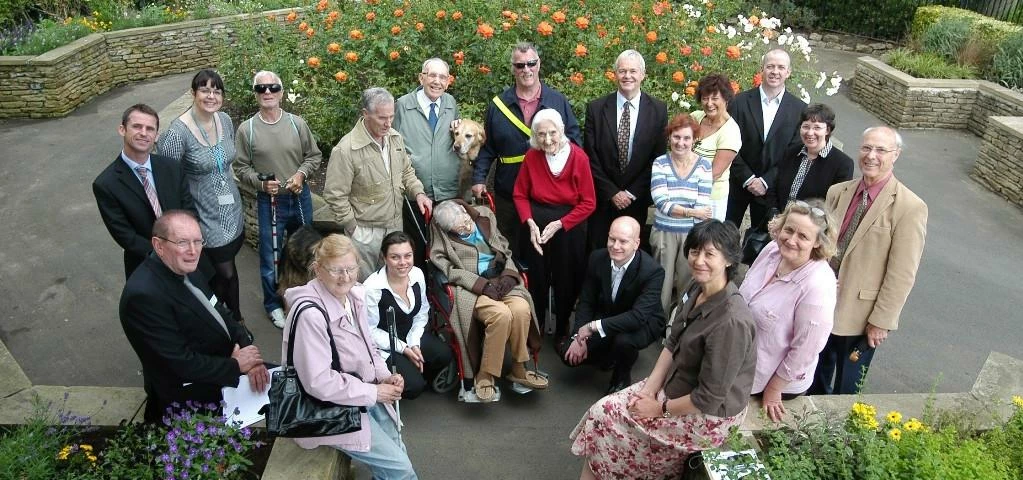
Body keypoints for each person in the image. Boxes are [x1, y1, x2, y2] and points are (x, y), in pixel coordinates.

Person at [570, 220, 756, 480]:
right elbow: (672, 344)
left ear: (729, 259)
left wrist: (659, 409)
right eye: (694, 251)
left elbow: (709, 398)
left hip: (707, 417)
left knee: (610, 420)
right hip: (675, 386)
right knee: (604, 411)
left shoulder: (732, 322)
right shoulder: (697, 286)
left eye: (709, 254)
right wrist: (648, 390)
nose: (699, 260)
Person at [282, 233, 417, 479]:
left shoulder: (354, 295)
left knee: (399, 451)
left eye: (351, 268)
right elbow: (319, 382)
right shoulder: (311, 316)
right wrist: (375, 393)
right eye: (336, 270)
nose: (345, 277)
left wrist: (385, 377)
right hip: (327, 409)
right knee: (401, 469)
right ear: (318, 269)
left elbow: (369, 348)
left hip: (359, 392)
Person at [119, 211, 268, 424]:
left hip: (227, 364)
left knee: (289, 385)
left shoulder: (187, 266)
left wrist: (247, 352)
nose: (193, 251)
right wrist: (236, 366)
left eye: (198, 241)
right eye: (182, 242)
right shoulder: (143, 296)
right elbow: (178, 363)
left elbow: (222, 312)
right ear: (159, 245)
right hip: (191, 392)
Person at [811, 126, 928, 395]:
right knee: (814, 378)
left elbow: (902, 273)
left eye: (880, 150)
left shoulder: (910, 207)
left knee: (846, 390)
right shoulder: (838, 192)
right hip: (822, 302)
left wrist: (881, 321)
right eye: (866, 148)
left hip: (860, 316)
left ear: (895, 155)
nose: (871, 156)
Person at [429, 200, 547, 403]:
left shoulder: (485, 215)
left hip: (501, 279)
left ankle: (519, 367)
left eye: (466, 221)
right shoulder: (441, 235)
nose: (467, 227)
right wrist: (481, 285)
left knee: (521, 308)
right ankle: (485, 374)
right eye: (460, 229)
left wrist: (510, 275)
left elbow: (504, 248)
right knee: (500, 314)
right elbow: (448, 270)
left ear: (465, 211)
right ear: (449, 229)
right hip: (473, 287)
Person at [471, 41, 581, 250]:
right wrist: (478, 179)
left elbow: (574, 144)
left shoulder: (558, 101)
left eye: (531, 63)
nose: (526, 70)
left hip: (548, 198)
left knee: (545, 254)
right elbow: (488, 148)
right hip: (509, 194)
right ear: (513, 68)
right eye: (520, 65)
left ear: (539, 64)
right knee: (511, 251)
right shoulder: (498, 106)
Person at [233, 70, 322, 328]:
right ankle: (273, 305)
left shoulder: (296, 123)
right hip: (270, 202)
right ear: (256, 94)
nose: (268, 92)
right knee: (270, 257)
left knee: (306, 251)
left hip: (299, 196)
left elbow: (313, 156)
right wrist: (261, 184)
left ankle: (303, 299)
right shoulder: (247, 130)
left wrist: (301, 175)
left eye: (273, 87)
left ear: (281, 92)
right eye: (261, 89)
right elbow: (241, 168)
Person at [157, 69, 246, 324]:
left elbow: (226, 162)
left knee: (224, 270)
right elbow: (169, 181)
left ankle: (222, 318)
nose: (211, 96)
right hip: (204, 214)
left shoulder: (225, 120)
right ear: (193, 93)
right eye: (205, 90)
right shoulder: (177, 133)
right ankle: (232, 321)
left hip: (232, 208)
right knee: (225, 272)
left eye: (217, 91)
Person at [740, 200, 836, 422]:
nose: (791, 240)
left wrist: (774, 389)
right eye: (788, 229)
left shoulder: (818, 285)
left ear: (817, 243)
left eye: (803, 236)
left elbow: (806, 348)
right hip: (740, 363)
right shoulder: (772, 250)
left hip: (771, 380)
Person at [323, 87, 432, 278]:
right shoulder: (346, 149)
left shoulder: (394, 138)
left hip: (395, 225)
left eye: (391, 116)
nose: (388, 123)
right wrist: (353, 229)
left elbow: (406, 171)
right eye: (382, 118)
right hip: (364, 232)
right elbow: (335, 195)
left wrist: (419, 193)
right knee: (364, 288)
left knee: (393, 282)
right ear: (366, 114)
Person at [513, 109, 596, 341]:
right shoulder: (532, 157)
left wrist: (560, 224)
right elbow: (520, 194)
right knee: (536, 276)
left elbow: (589, 203)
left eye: (552, 133)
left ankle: (562, 329)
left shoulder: (579, 157)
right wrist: (529, 223)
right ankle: (536, 326)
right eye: (541, 135)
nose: (547, 140)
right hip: (536, 225)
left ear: (562, 131)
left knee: (566, 277)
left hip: (570, 224)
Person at [563, 217, 666, 394]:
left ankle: (621, 376)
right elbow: (587, 301)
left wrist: (592, 327)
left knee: (623, 341)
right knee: (568, 355)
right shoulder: (597, 258)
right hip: (609, 313)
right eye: (612, 239)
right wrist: (578, 337)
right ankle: (609, 354)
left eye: (623, 241)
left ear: (636, 243)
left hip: (644, 322)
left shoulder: (653, 271)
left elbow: (638, 317)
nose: (615, 246)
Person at [94, 103, 194, 279]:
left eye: (150, 128)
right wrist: (165, 254)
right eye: (137, 126)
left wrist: (184, 248)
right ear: (122, 129)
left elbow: (189, 210)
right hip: (145, 265)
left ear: (156, 135)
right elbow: (125, 236)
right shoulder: (106, 184)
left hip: (187, 257)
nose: (143, 133)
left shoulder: (172, 168)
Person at [583, 50, 668, 252]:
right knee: (599, 252)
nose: (627, 76)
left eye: (633, 71)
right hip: (603, 199)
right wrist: (612, 192)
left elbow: (657, 158)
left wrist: (630, 193)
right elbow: (590, 156)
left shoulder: (658, 110)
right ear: (615, 74)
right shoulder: (596, 108)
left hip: (636, 200)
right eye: (622, 71)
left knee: (629, 253)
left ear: (642, 75)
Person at [364, 231, 453, 399]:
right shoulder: (372, 288)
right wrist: (403, 349)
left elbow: (421, 313)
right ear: (384, 258)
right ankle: (404, 382)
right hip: (385, 345)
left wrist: (414, 344)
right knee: (413, 387)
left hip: (410, 335)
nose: (403, 262)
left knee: (443, 354)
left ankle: (418, 374)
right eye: (395, 257)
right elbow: (370, 331)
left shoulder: (417, 274)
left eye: (408, 256)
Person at [393, 58, 462, 266]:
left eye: (442, 77)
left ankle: (443, 295)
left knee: (447, 249)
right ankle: (419, 293)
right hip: (416, 192)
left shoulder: (450, 103)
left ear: (448, 82)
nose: (437, 81)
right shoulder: (403, 105)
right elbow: (393, 143)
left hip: (447, 191)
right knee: (417, 248)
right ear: (421, 77)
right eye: (432, 75)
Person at [727, 49, 806, 229]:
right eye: (770, 66)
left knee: (761, 244)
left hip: (771, 188)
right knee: (723, 237)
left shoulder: (799, 109)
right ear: (762, 69)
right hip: (736, 183)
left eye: (780, 67)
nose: (775, 72)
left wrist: (765, 181)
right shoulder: (739, 102)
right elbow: (728, 143)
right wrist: (747, 178)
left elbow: (794, 153)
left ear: (788, 72)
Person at [650, 113, 714, 313]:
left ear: (694, 140)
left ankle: (677, 326)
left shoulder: (704, 165)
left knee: (688, 282)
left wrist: (684, 211)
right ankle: (657, 324)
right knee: (662, 281)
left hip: (692, 235)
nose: (681, 143)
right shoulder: (660, 163)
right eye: (676, 137)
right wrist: (691, 211)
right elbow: (661, 203)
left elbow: (703, 205)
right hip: (663, 232)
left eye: (686, 138)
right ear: (669, 138)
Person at [771, 103, 854, 212]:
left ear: (827, 130)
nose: (810, 133)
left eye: (817, 128)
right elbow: (773, 187)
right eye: (806, 126)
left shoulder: (843, 164)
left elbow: (835, 206)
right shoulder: (791, 152)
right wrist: (773, 213)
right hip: (777, 221)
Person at [690, 74, 742, 221]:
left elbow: (714, 174)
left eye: (714, 98)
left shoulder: (731, 131)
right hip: (685, 192)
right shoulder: (695, 117)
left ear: (726, 99)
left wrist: (683, 183)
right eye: (705, 98)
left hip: (710, 198)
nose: (709, 103)